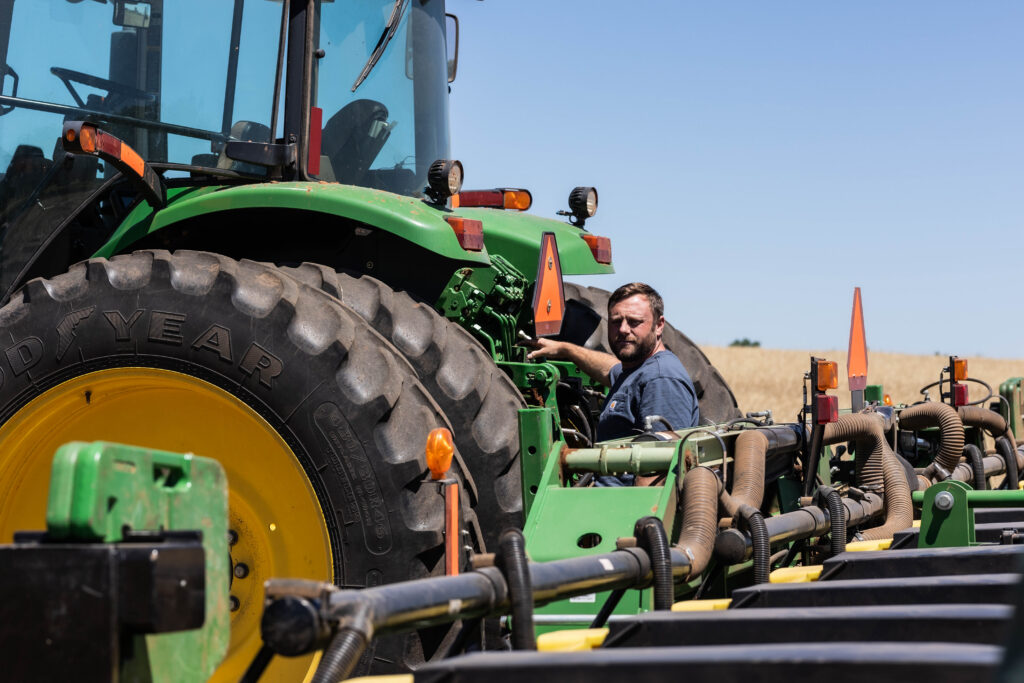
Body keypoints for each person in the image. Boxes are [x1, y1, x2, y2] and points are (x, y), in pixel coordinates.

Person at [526, 282, 700, 445]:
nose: (623, 329)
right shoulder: (636, 370)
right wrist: (565, 349)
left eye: (634, 322)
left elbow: (662, 465)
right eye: (616, 321)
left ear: (659, 325)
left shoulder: (660, 380)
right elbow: (610, 369)